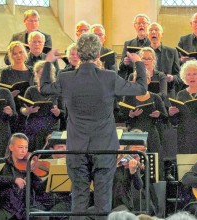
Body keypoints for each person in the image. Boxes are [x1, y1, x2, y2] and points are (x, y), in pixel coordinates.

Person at [39, 33, 147, 220]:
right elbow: (141, 88)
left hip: (77, 147)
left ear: (78, 55)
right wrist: (139, 63)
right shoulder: (109, 77)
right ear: (98, 54)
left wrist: (48, 62)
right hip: (104, 147)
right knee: (102, 202)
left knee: (79, 200)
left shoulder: (66, 78)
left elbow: (45, 88)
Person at [0, 133, 45, 220]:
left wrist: (38, 176)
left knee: (43, 216)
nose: (24, 151)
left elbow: (40, 189)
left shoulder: (29, 165)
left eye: (26, 147)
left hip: (26, 209)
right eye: (20, 147)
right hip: (6, 208)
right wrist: (13, 180)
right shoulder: (2, 162)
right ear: (11, 147)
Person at [21, 61, 64, 152]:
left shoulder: (57, 90)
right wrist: (28, 110)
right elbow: (22, 109)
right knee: (35, 157)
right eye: (41, 74)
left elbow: (64, 112)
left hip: (51, 129)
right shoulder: (31, 90)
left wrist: (58, 112)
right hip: (33, 130)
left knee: (50, 158)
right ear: (36, 74)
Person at [0, 41, 35, 133]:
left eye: (20, 52)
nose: (18, 56)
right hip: (12, 110)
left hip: (28, 110)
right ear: (10, 56)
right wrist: (9, 95)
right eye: (15, 54)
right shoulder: (5, 72)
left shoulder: (32, 71)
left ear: (25, 53)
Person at [147, 22, 181, 99]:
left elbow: (179, 75)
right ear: (147, 34)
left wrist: (172, 78)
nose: (153, 32)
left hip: (167, 94)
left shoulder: (172, 52)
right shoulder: (141, 53)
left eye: (156, 30)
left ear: (162, 34)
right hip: (146, 94)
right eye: (150, 30)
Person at [119, 14, 151, 79]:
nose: (141, 25)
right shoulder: (128, 43)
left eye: (144, 23)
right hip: (132, 78)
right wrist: (125, 63)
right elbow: (121, 66)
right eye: (138, 23)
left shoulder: (152, 43)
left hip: (149, 77)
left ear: (148, 26)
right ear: (134, 26)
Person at [113, 145, 143, 211]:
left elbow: (139, 186)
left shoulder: (129, 161)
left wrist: (133, 172)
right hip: (105, 203)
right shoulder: (105, 160)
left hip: (123, 204)